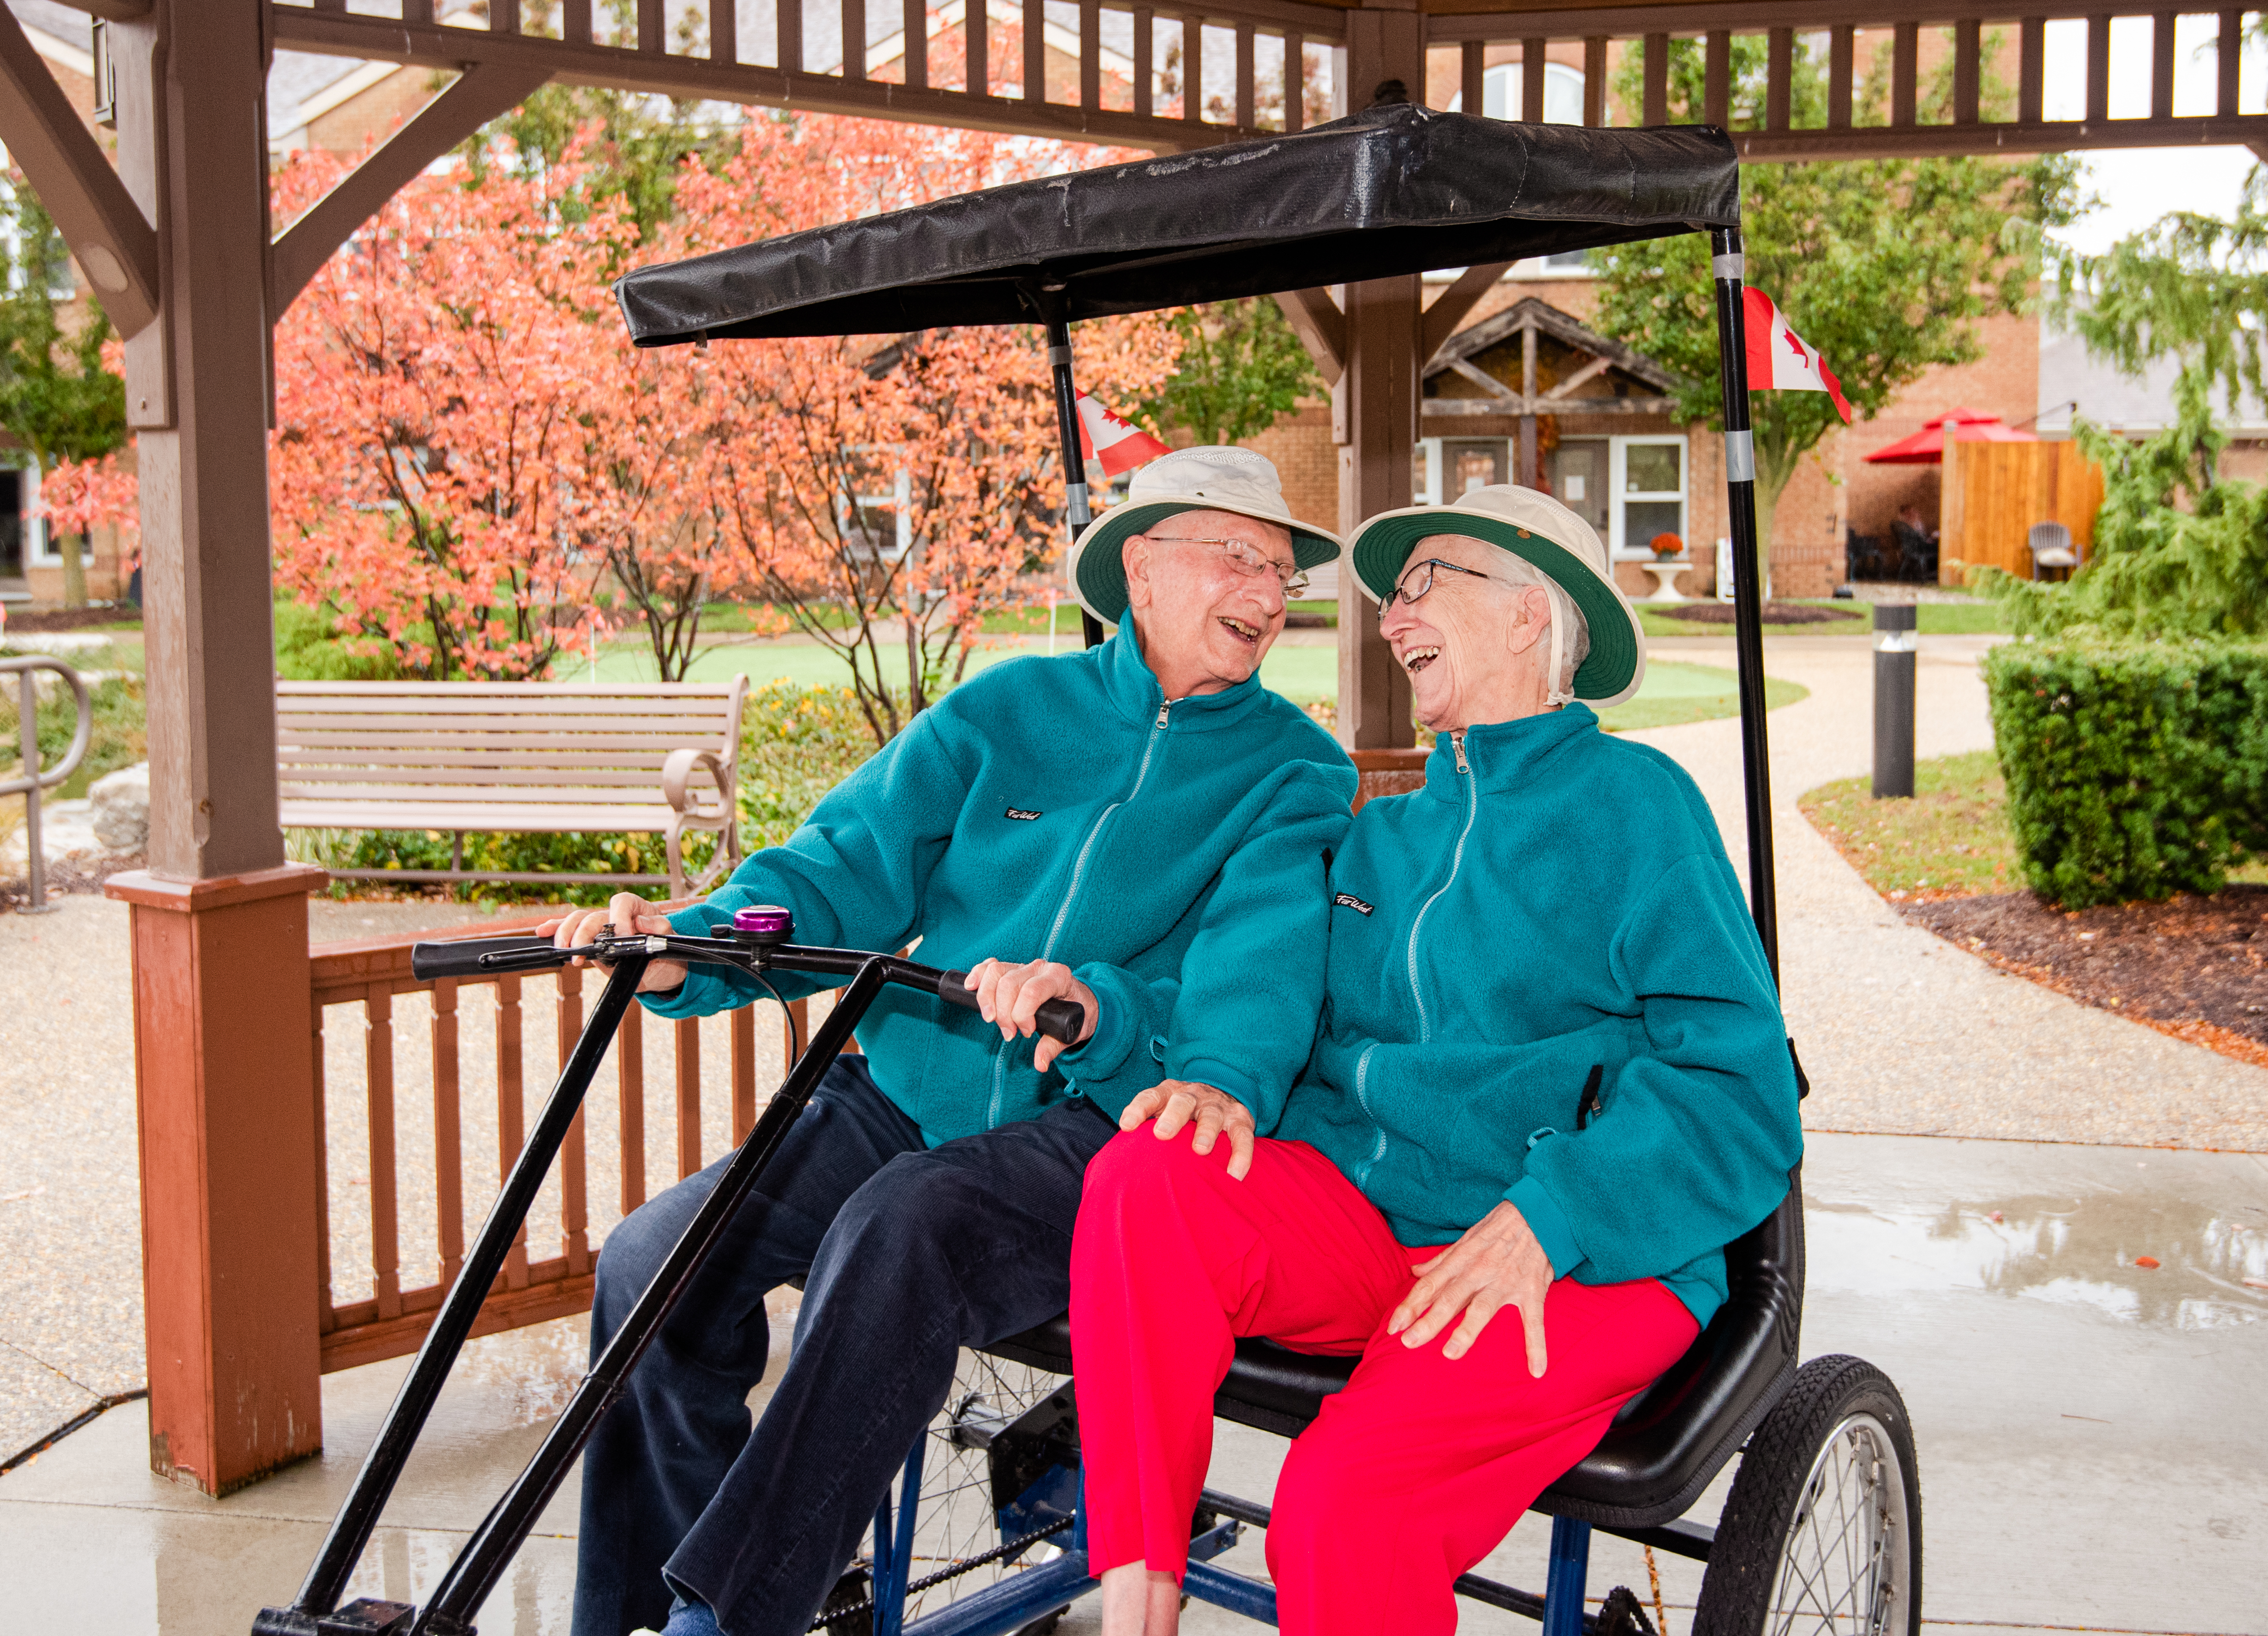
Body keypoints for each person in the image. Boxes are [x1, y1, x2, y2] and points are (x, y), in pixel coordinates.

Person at [550, 446, 1361, 1636]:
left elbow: (1259, 972)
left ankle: (725, 1622)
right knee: (654, 1263)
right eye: (1234, 554)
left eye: (1281, 571)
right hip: (906, 1098)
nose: (1265, 590)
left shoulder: (1295, 772)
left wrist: (1132, 1027)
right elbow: (837, 871)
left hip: (1096, 1123)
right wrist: (696, 944)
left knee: (907, 1223)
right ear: (1141, 571)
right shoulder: (1002, 713)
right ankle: (651, 1605)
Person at [1069, 485, 1805, 1636]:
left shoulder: (1636, 807)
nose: (1391, 614)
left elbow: (1737, 1083)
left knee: (1336, 1509)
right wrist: (1112, 1021)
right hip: (1373, 1230)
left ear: (1527, 615)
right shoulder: (1386, 832)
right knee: (1148, 1171)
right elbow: (1262, 1011)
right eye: (1390, 592)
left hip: (1576, 1256)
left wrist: (1550, 1218)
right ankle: (1140, 1601)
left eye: (1425, 583)